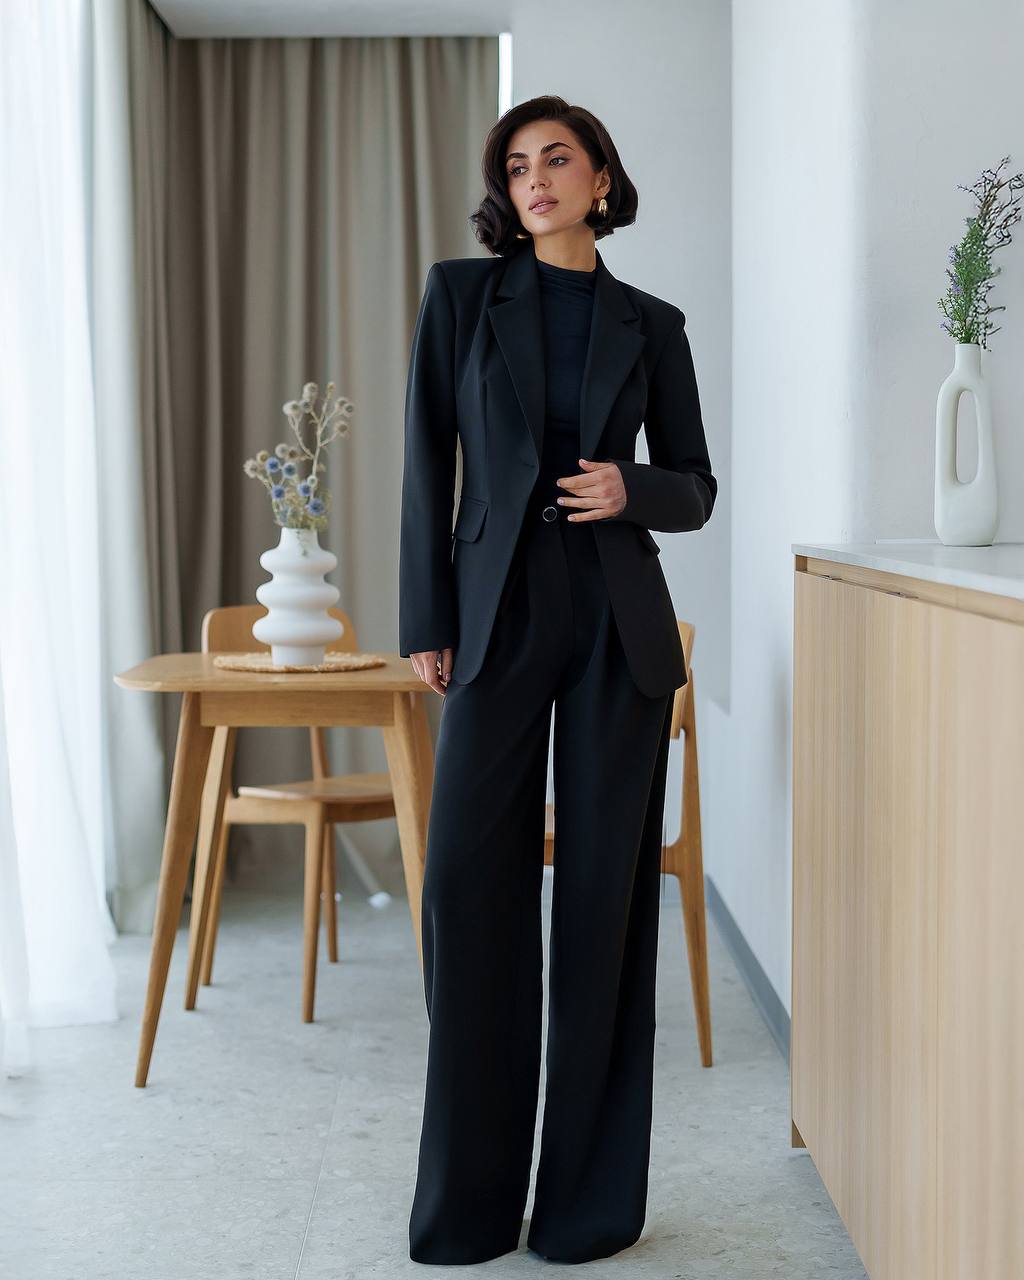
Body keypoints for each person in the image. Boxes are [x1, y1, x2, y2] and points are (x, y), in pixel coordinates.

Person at [398, 94, 717, 1266]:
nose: (533, 179)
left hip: (615, 624)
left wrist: (634, 488)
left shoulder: (652, 322)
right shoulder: (460, 296)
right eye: (517, 164)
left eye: (556, 159)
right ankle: (468, 1208)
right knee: (465, 889)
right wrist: (426, 617)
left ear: (599, 181)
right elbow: (427, 455)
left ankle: (585, 1208)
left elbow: (696, 484)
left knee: (602, 908)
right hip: (494, 615)